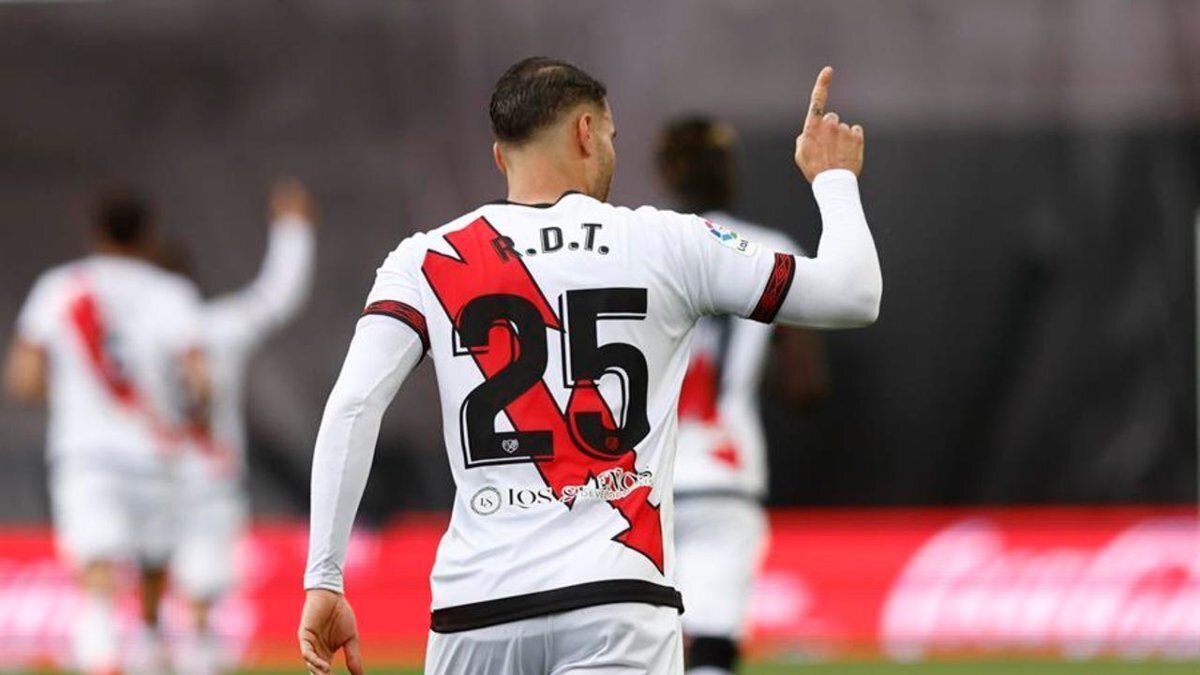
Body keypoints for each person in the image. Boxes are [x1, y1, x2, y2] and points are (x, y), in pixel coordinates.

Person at [299, 57, 880, 675]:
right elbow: (853, 294)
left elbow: (353, 407)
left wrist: (323, 576)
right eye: (610, 134)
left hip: (478, 606)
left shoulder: (424, 259)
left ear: (502, 157)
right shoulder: (668, 242)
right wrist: (834, 179)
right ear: (584, 130)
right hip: (619, 599)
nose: (611, 148)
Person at [4, 190, 210, 675]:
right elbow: (200, 382)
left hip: (87, 456)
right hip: (157, 457)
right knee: (154, 575)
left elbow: (23, 377)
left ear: (96, 233)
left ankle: (103, 661)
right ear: (147, 234)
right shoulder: (171, 293)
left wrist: (78, 399)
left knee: (96, 577)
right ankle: (154, 655)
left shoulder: (60, 287)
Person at [657, 116, 829, 675]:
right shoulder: (770, 250)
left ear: (667, 175)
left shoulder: (641, 245)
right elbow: (806, 386)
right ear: (730, 173)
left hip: (643, 478)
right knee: (714, 647)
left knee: (645, 647)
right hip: (727, 473)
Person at [167, 180, 317, 675]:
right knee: (203, 601)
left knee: (155, 593)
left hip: (143, 478)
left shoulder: (118, 332)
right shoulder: (215, 326)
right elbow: (276, 296)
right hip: (207, 479)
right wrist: (293, 229)